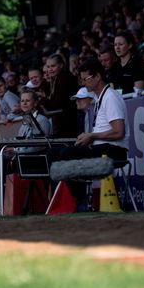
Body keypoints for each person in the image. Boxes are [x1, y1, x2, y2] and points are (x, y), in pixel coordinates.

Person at [51, 59, 130, 208]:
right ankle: (61, 202)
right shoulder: (101, 97)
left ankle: (79, 202)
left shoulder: (110, 97)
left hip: (114, 150)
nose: (82, 83)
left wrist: (92, 136)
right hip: (103, 147)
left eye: (85, 79)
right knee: (54, 154)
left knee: (67, 154)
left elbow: (119, 132)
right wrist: (89, 137)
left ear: (97, 77)